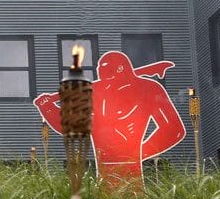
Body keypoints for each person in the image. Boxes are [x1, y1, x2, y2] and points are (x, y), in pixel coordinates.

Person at [34, 50, 185, 190]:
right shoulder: (94, 94)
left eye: (106, 70)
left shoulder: (149, 89)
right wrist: (47, 108)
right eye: (100, 71)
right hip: (104, 172)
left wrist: (139, 154)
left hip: (134, 170)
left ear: (120, 69)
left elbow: (174, 129)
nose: (102, 76)